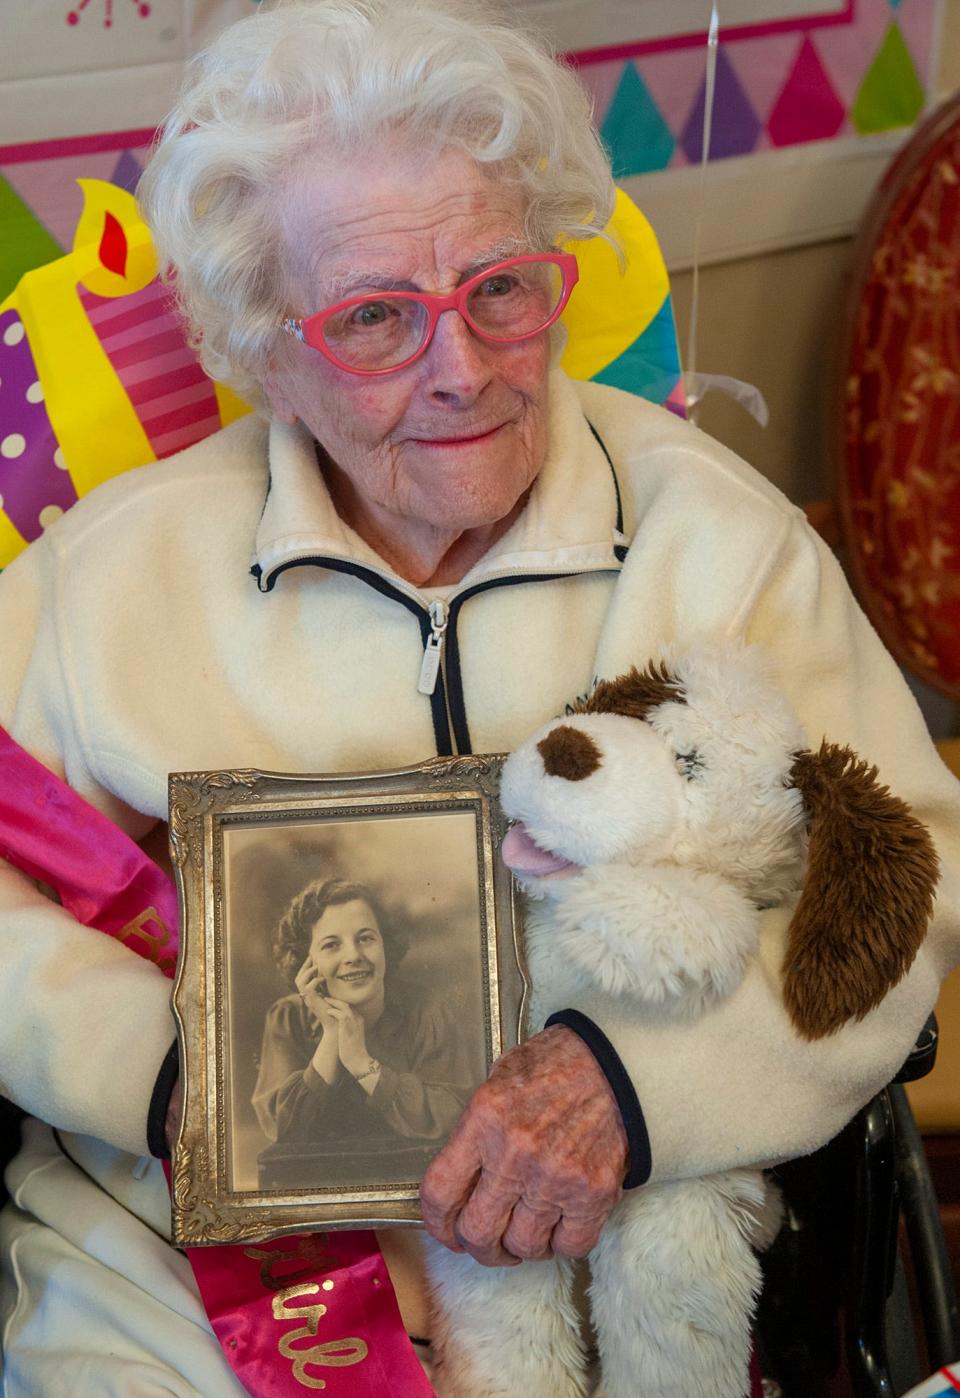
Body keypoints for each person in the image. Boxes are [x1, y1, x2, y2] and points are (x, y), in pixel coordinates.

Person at [0, 0, 958, 1392]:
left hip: (621, 1273)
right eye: (379, 317)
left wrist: (630, 1086)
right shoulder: (104, 582)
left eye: (501, 288)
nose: (463, 368)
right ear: (264, 346)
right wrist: (159, 1071)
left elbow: (911, 883)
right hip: (178, 1279)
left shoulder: (715, 539)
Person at [252, 877, 474, 1165]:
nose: (353, 956)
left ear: (385, 944)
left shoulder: (428, 1011)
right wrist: (333, 1033)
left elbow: (454, 1116)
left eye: (366, 938)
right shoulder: (286, 1018)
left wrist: (361, 1064)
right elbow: (283, 1128)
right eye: (331, 945)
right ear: (306, 962)